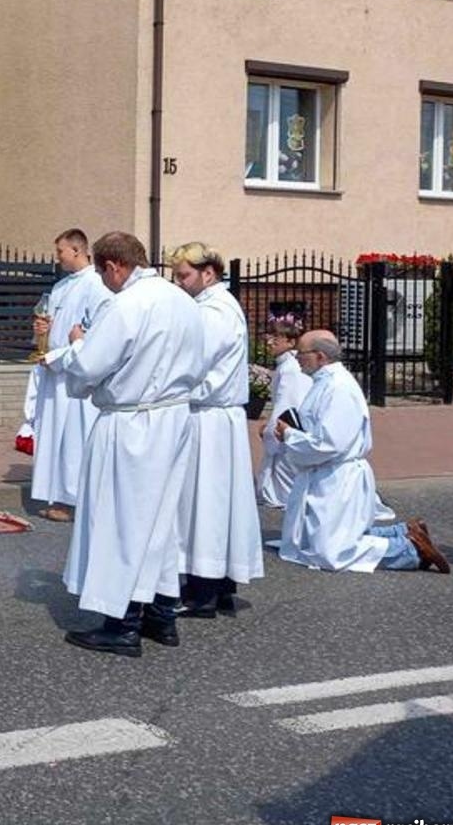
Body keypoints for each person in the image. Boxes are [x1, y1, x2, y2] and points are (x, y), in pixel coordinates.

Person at [58, 231, 205, 656]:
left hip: (132, 422)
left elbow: (90, 365)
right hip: (175, 417)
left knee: (119, 520)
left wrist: (75, 348)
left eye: (105, 275)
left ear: (113, 266)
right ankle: (160, 614)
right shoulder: (183, 301)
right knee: (160, 521)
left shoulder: (128, 304)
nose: (106, 283)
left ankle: (119, 623)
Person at [273, 331, 449, 575]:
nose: (296, 359)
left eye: (300, 354)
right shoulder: (324, 382)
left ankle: (411, 549)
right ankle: (401, 532)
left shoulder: (338, 387)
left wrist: (291, 435)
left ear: (320, 356)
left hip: (337, 475)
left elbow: (331, 443)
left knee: (330, 552)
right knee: (317, 537)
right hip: (326, 472)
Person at [170, 242, 264, 618]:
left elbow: (191, 363)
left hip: (207, 417)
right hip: (214, 417)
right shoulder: (218, 307)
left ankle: (202, 590)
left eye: (184, 276)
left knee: (203, 504)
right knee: (217, 503)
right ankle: (219, 584)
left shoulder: (212, 312)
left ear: (208, 273)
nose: (179, 284)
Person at [32, 229, 112, 521]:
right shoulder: (60, 287)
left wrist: (57, 356)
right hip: (55, 373)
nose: (57, 257)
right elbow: (52, 324)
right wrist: (42, 332)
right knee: (54, 436)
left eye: (61, 252)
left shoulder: (97, 286)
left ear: (77, 250)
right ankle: (58, 494)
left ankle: (76, 499)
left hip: (76, 375)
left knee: (75, 437)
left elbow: (94, 336)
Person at [257, 317, 311, 509]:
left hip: (289, 431)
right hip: (292, 429)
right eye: (268, 336)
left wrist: (272, 430)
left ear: (291, 341)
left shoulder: (290, 369)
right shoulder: (287, 365)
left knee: (285, 488)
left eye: (275, 338)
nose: (269, 341)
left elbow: (287, 404)